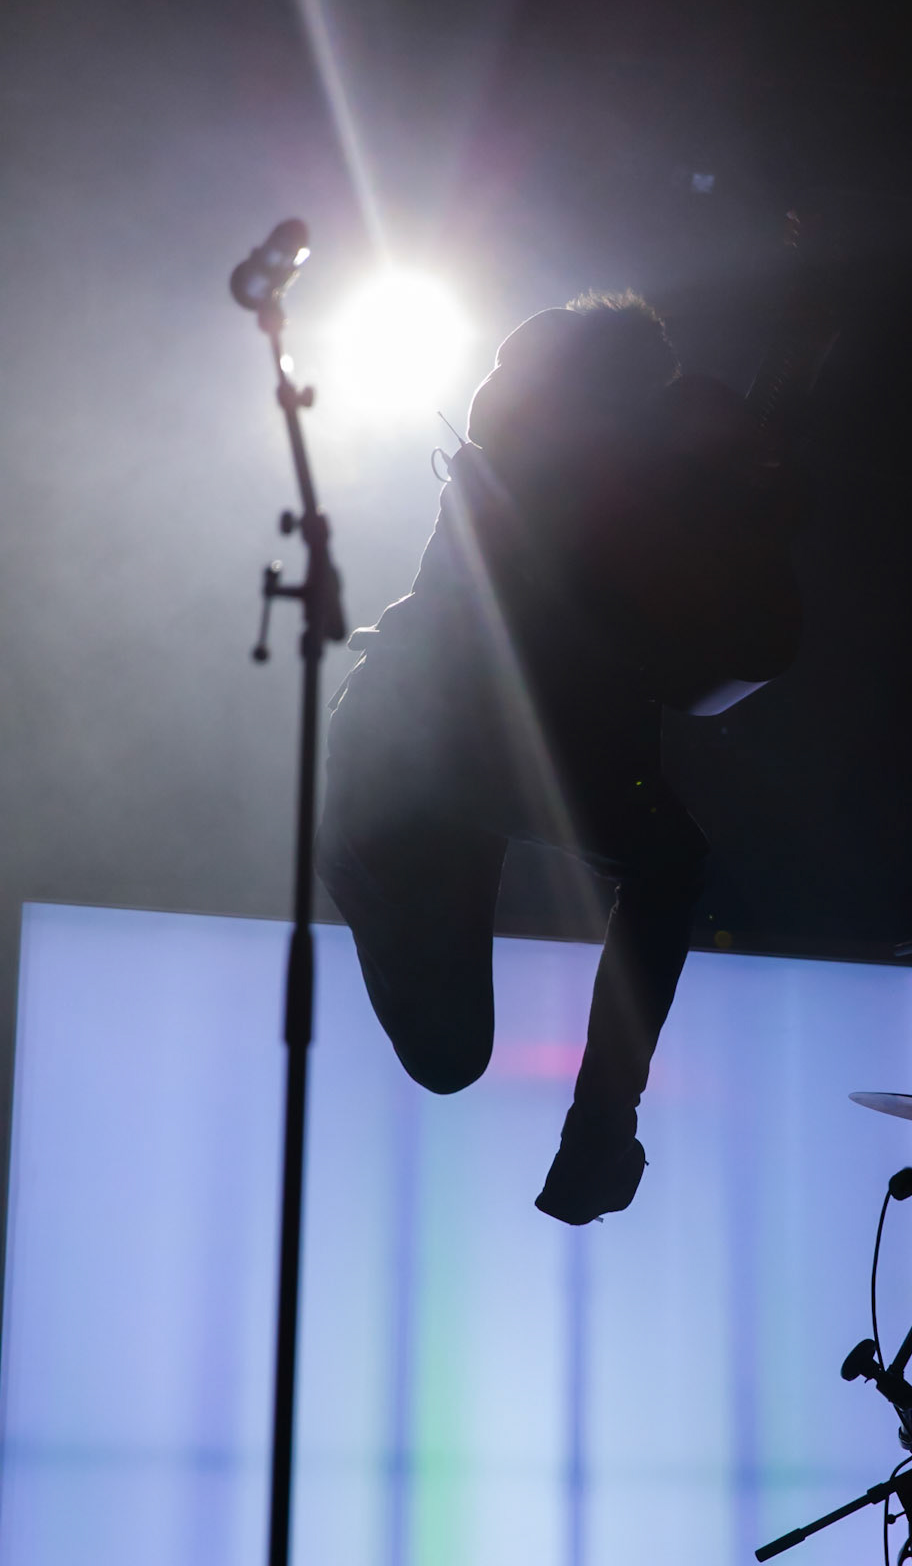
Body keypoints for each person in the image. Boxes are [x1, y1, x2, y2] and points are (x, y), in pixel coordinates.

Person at [316, 291, 802, 1224]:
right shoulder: (533, 463)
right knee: (451, 1059)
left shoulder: (615, 459)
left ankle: (600, 1127)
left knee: (664, 868)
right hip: (415, 747)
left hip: (517, 740)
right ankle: (364, 873)